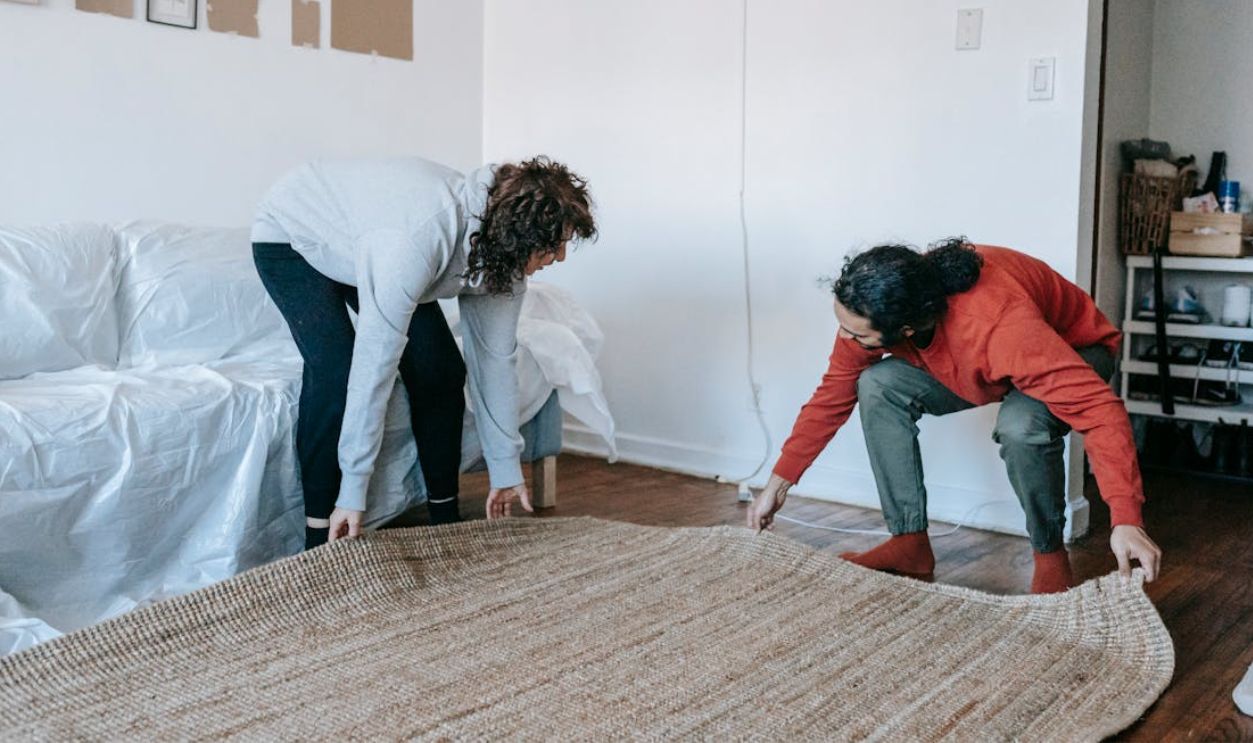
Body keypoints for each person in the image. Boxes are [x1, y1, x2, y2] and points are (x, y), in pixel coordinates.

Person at [747, 238, 1162, 593]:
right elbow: (832, 395)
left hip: (1074, 349)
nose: (846, 339)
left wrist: (1126, 519)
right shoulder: (880, 307)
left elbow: (1099, 410)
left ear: (905, 329)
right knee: (876, 383)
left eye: (857, 334)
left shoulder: (998, 325)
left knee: (1020, 426)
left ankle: (1050, 558)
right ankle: (909, 543)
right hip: (991, 361)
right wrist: (779, 483)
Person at [251, 156, 595, 549]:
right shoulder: (416, 241)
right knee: (338, 372)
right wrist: (353, 491)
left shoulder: (503, 257)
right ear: (520, 233)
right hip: (293, 236)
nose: (561, 256)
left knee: (442, 369)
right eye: (555, 243)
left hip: (367, 238)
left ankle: (444, 518)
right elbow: (374, 365)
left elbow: (495, 361)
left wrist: (504, 469)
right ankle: (320, 533)